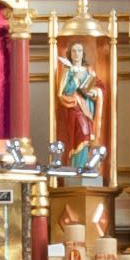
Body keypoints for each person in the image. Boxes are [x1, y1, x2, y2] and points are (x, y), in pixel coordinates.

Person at [55, 41, 106, 176]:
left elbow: (100, 87)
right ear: (70, 54)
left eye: (79, 51)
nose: (76, 54)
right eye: (74, 51)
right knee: (81, 135)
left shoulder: (89, 71)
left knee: (88, 136)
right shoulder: (68, 71)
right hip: (74, 108)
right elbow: (63, 92)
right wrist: (75, 79)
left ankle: (85, 167)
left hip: (88, 108)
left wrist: (94, 92)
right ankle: (77, 168)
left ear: (83, 54)